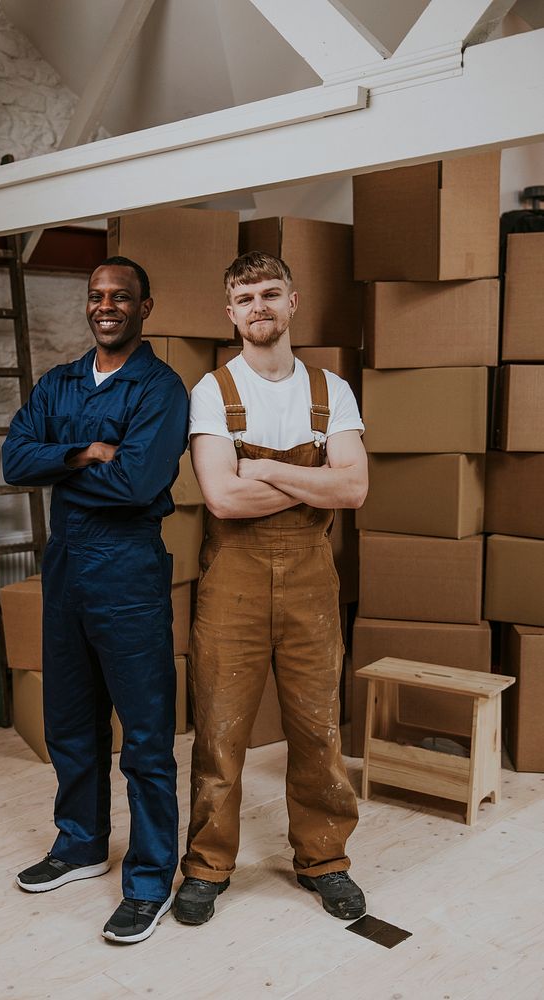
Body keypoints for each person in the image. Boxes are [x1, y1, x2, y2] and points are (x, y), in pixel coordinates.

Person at [173, 250, 368, 926]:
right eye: (245, 296)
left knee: (317, 727)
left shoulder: (331, 390)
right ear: (230, 312)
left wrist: (263, 470)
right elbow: (222, 501)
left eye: (271, 292)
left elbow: (355, 487)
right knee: (221, 729)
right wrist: (305, 482)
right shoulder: (212, 390)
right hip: (234, 577)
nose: (259, 305)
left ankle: (324, 860)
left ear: (293, 303)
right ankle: (206, 865)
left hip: (311, 577)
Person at [2, 256, 189, 945]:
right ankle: (80, 844)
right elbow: (14, 460)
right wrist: (84, 452)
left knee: (143, 736)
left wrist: (61, 462)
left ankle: (148, 882)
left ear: (145, 307)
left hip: (129, 572)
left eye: (121, 297)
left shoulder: (161, 388)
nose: (105, 306)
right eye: (96, 296)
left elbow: (138, 484)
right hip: (67, 570)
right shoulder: (60, 382)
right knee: (71, 722)